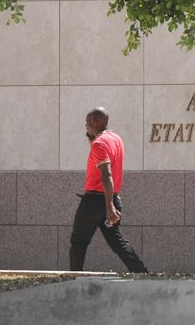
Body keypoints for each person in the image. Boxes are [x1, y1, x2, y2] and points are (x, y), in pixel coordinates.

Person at [69, 107, 148, 273]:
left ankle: (75, 278)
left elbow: (106, 175)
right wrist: (111, 202)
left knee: (79, 242)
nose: (85, 126)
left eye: (87, 122)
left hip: (95, 203)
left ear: (94, 122)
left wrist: (109, 205)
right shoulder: (116, 139)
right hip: (109, 198)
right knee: (117, 241)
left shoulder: (99, 144)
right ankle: (142, 273)